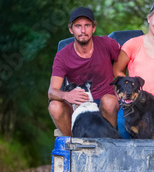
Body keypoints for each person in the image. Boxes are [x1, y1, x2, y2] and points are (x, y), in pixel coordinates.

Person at [48, 7, 120, 136]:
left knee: (109, 101)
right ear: (71, 29)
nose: (83, 30)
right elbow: (52, 92)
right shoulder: (62, 56)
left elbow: (124, 63)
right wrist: (66, 95)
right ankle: (74, 143)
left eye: (87, 25)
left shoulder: (108, 44)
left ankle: (109, 142)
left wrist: (120, 86)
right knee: (55, 106)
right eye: (78, 26)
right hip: (78, 107)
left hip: (105, 104)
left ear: (93, 28)